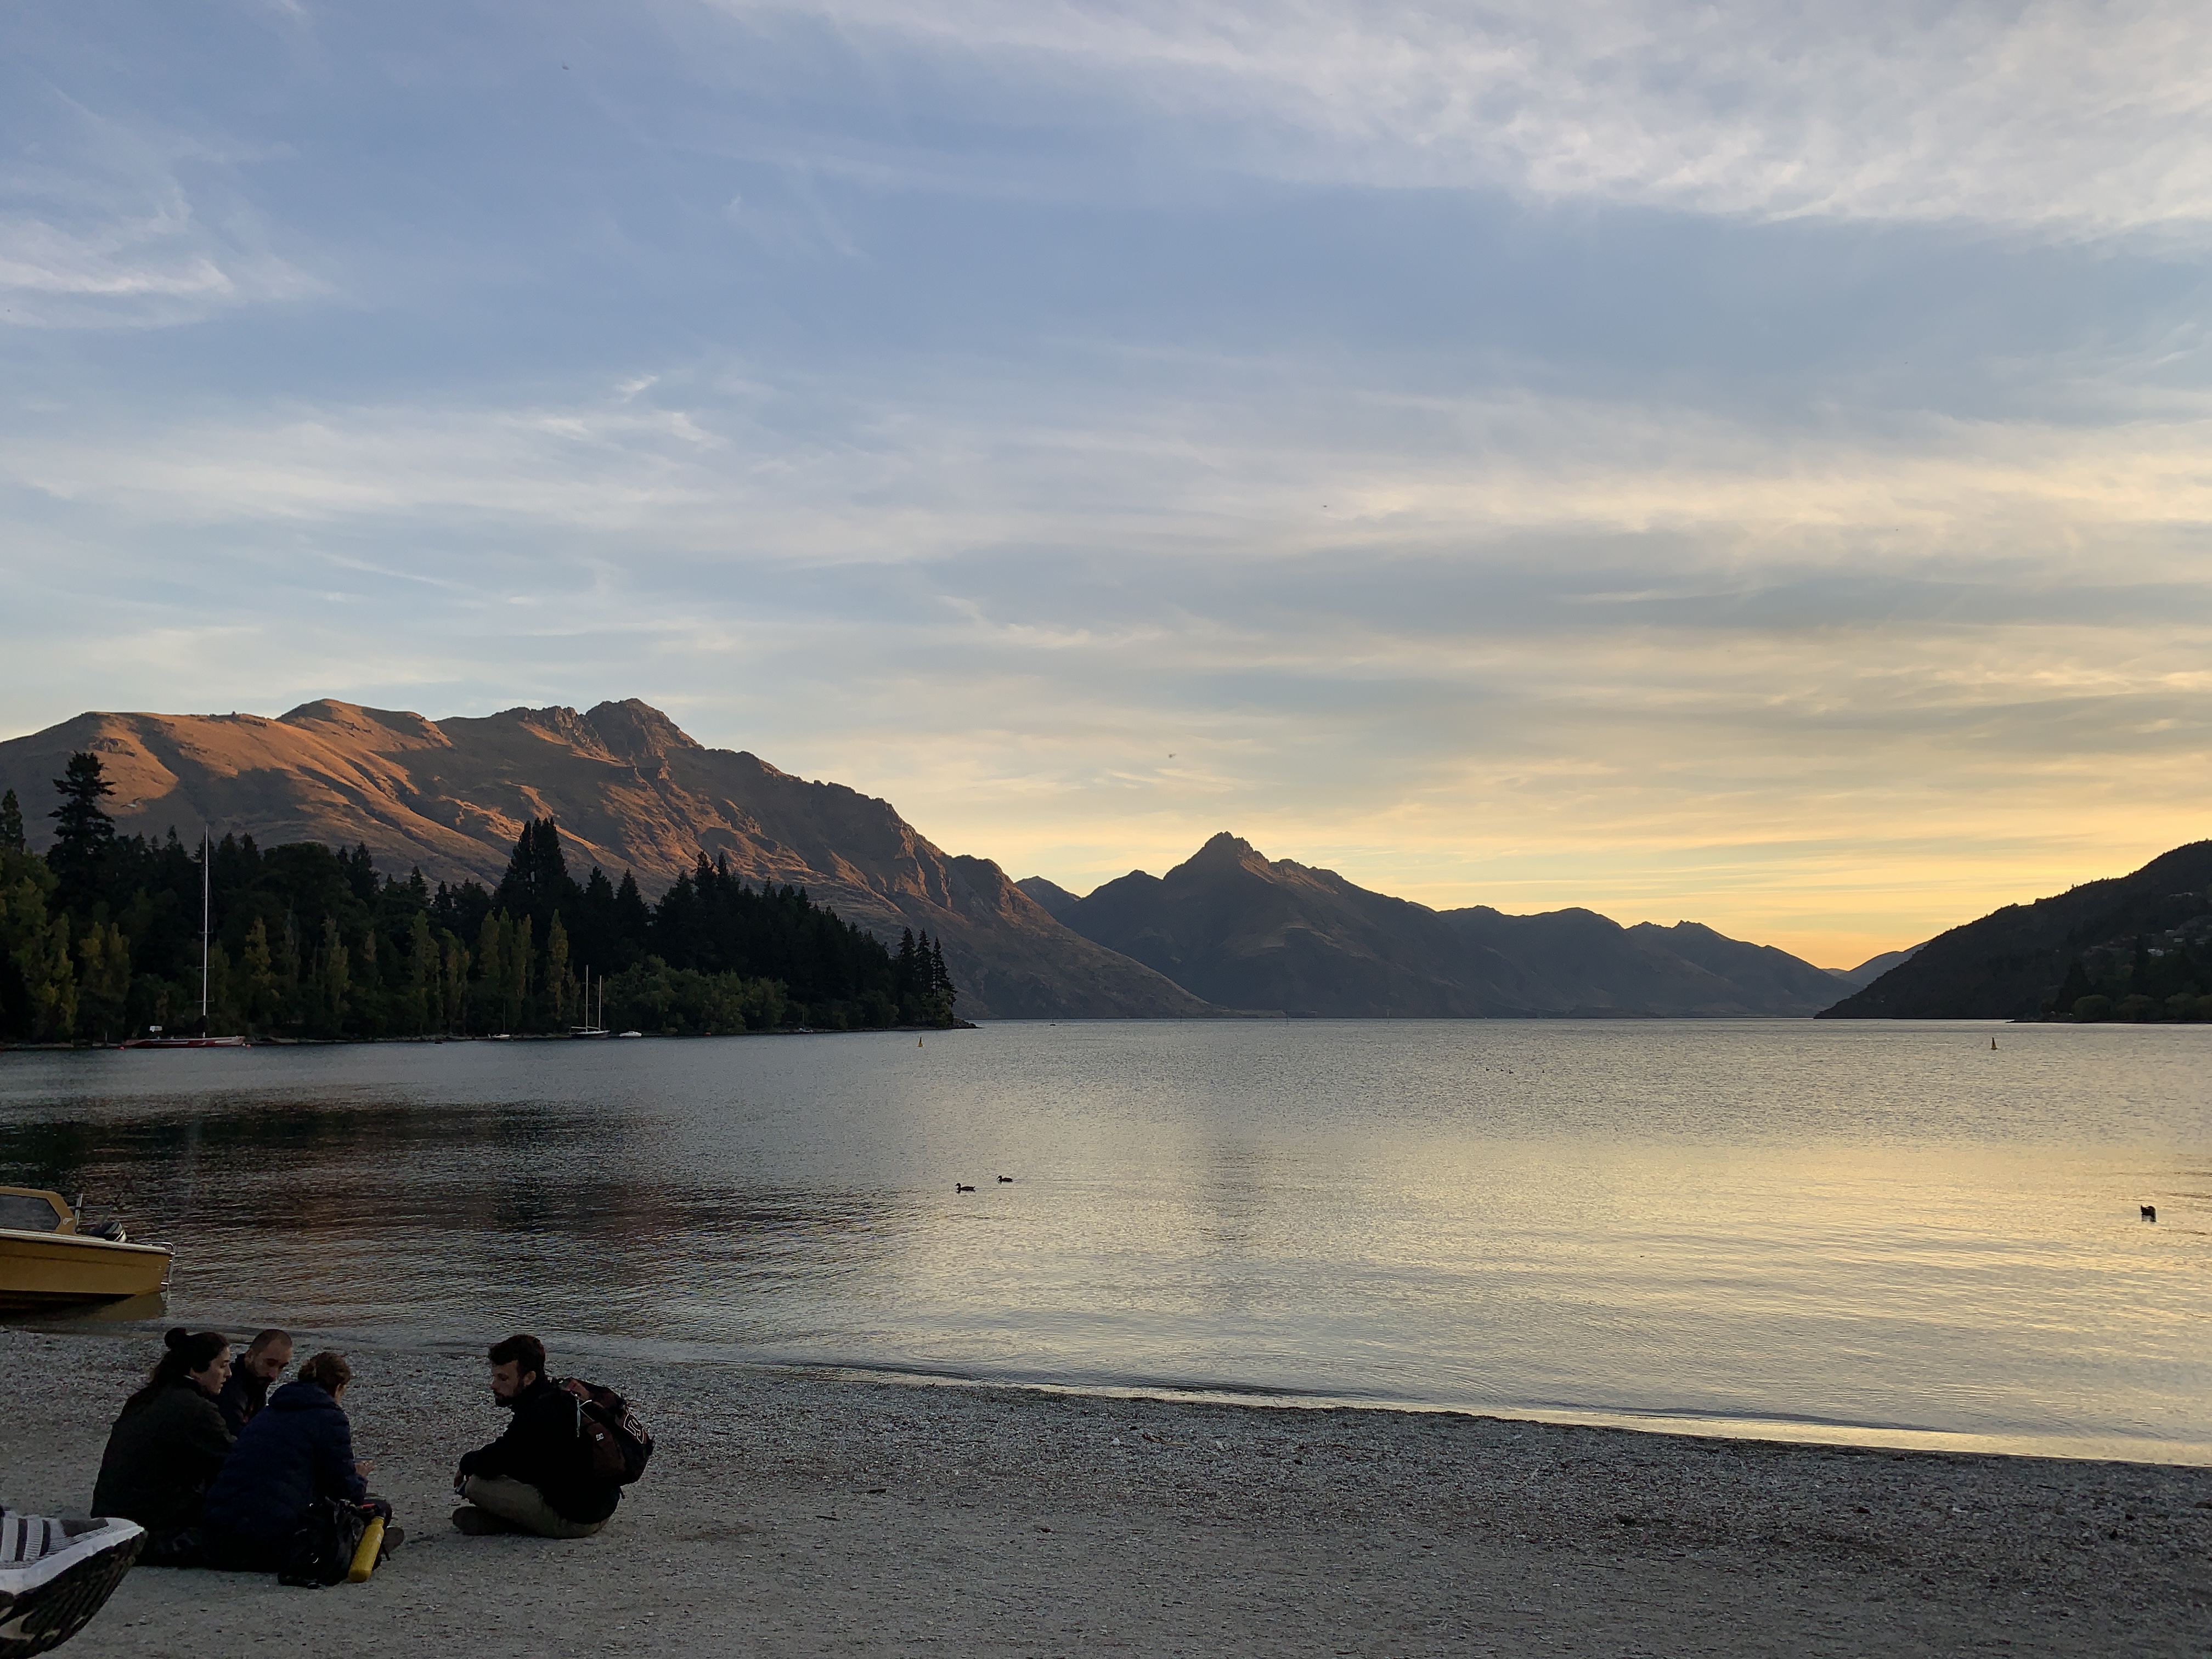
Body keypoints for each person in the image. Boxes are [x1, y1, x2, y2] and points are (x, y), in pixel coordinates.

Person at [199, 1351, 398, 1571]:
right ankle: (367, 1544)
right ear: (339, 1387)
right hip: (274, 1539)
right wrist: (359, 1476)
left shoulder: (268, 1413)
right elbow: (347, 1491)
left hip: (220, 1534)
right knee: (378, 1508)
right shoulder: (330, 1418)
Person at [451, 1334, 620, 1538]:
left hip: (575, 1522)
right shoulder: (559, 1396)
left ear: (529, 1378)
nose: (493, 1385)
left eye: (503, 1378)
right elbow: (513, 1453)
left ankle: (513, 1523)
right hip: (603, 1510)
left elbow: (494, 1460)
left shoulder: (536, 1414)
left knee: (477, 1485)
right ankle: (514, 1520)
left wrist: (466, 1463)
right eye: (494, 1376)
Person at [90, 1328, 234, 1565]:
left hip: (112, 1516)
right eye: (222, 1365)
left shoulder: (146, 1398)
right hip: (148, 1525)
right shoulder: (195, 1409)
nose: (228, 1374)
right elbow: (233, 1460)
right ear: (196, 1369)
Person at [216, 1328, 293, 1437]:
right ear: (250, 1356)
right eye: (270, 1363)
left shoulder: (256, 1383)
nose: (274, 1375)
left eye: (282, 1367)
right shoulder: (230, 1390)